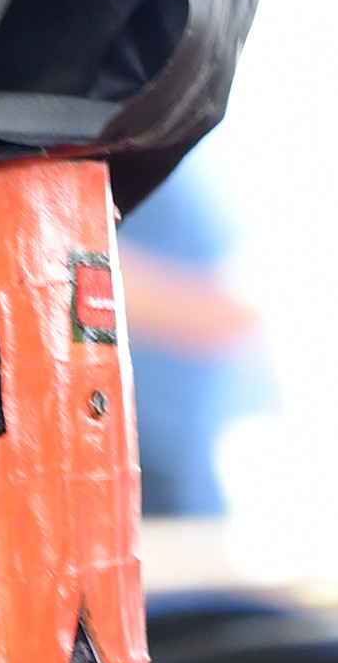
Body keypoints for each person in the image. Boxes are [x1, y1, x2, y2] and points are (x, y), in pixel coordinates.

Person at [116, 146, 271, 518]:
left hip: (164, 456)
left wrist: (90, 269)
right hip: (126, 443)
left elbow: (234, 311)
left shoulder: (174, 169)